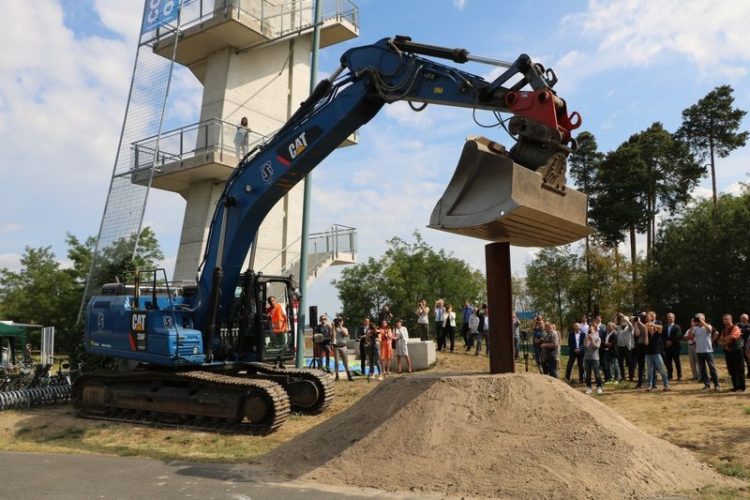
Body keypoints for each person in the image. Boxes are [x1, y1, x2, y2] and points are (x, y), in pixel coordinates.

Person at [687, 314, 720, 390]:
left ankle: (716, 385)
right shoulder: (695, 328)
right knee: (702, 369)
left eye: (700, 318)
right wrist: (692, 325)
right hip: (699, 351)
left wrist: (702, 322)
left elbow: (710, 330)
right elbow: (690, 336)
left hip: (708, 350)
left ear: (704, 318)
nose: (698, 320)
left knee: (712, 368)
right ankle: (707, 385)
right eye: (697, 318)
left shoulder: (708, 326)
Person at [718, 313, 745, 392]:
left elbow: (733, 337)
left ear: (731, 319)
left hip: (737, 351)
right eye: (724, 319)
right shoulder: (724, 330)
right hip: (728, 352)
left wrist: (724, 340)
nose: (725, 321)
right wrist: (725, 340)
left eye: (727, 319)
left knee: (739, 369)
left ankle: (741, 387)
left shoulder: (736, 327)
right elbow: (720, 341)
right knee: (732, 370)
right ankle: (736, 387)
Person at [645, 316, 670, 391]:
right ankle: (649, 386)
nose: (650, 328)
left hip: (656, 354)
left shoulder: (657, 334)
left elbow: (661, 327)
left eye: (651, 327)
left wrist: (652, 324)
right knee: (649, 371)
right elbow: (646, 343)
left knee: (662, 370)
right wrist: (646, 332)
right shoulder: (647, 335)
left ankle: (666, 386)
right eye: (649, 327)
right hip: (648, 355)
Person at [662, 312, 683, 381]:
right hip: (667, 348)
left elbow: (678, 336)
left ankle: (679, 376)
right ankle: (670, 376)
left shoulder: (677, 327)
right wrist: (666, 342)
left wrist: (671, 341)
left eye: (671, 317)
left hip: (675, 347)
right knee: (668, 363)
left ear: (674, 318)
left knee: (677, 362)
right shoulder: (664, 327)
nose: (669, 318)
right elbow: (663, 336)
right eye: (668, 317)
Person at [583, 325, 603, 395]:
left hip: (595, 358)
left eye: (591, 329)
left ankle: (599, 387)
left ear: (595, 330)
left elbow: (596, 347)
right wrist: (587, 340)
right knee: (588, 374)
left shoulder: (598, 338)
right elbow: (586, 347)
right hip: (587, 358)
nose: (590, 330)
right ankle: (589, 388)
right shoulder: (585, 338)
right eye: (589, 329)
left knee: (597, 374)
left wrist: (592, 340)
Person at [616, 313, 635, 381]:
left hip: (627, 347)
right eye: (622, 320)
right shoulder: (619, 327)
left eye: (624, 320)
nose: (622, 320)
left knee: (630, 362)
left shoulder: (629, 327)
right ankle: (623, 377)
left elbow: (631, 326)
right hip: (620, 347)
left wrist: (626, 319)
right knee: (620, 363)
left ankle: (631, 377)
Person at [737, 313, 750, 378]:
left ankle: (749, 374)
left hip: (747, 346)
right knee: (739, 360)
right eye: (742, 318)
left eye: (744, 318)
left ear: (747, 319)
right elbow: (736, 332)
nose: (743, 319)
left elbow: (747, 331)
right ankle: (740, 374)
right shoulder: (737, 325)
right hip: (738, 345)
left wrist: (741, 331)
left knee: (748, 360)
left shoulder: (749, 325)